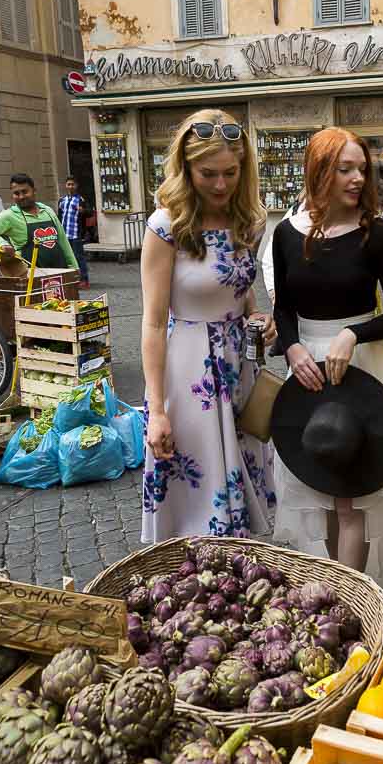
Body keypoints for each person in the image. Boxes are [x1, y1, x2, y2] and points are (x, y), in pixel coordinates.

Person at [272, 127, 383, 592]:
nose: (356, 178)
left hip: (363, 369)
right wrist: (290, 347)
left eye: (361, 169)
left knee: (353, 495)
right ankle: (324, 590)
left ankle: (352, 600)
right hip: (306, 372)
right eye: (344, 168)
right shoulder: (287, 235)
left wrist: (353, 333)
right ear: (318, 171)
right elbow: (283, 308)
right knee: (316, 486)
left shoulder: (378, 235)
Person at [140, 108, 277, 541]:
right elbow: (153, 322)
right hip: (190, 372)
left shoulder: (250, 221)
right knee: (197, 500)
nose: (221, 184)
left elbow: (240, 289)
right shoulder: (167, 228)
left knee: (246, 476)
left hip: (241, 367)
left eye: (231, 173)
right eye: (208, 174)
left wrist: (258, 316)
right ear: (186, 168)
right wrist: (157, 411)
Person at [0, 173, 78, 270]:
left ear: (34, 191)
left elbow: (63, 241)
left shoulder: (48, 211)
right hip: (30, 277)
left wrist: (75, 268)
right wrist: (2, 243)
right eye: (16, 193)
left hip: (59, 272)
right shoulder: (9, 216)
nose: (21, 197)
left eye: (25, 192)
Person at [58, 176, 90, 288]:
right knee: (67, 257)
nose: (71, 186)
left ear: (76, 186)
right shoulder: (62, 200)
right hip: (65, 233)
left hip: (76, 233)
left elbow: (89, 213)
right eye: (68, 184)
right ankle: (71, 278)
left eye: (73, 184)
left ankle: (84, 279)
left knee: (78, 257)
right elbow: (59, 216)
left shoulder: (80, 200)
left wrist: (84, 211)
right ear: (66, 186)